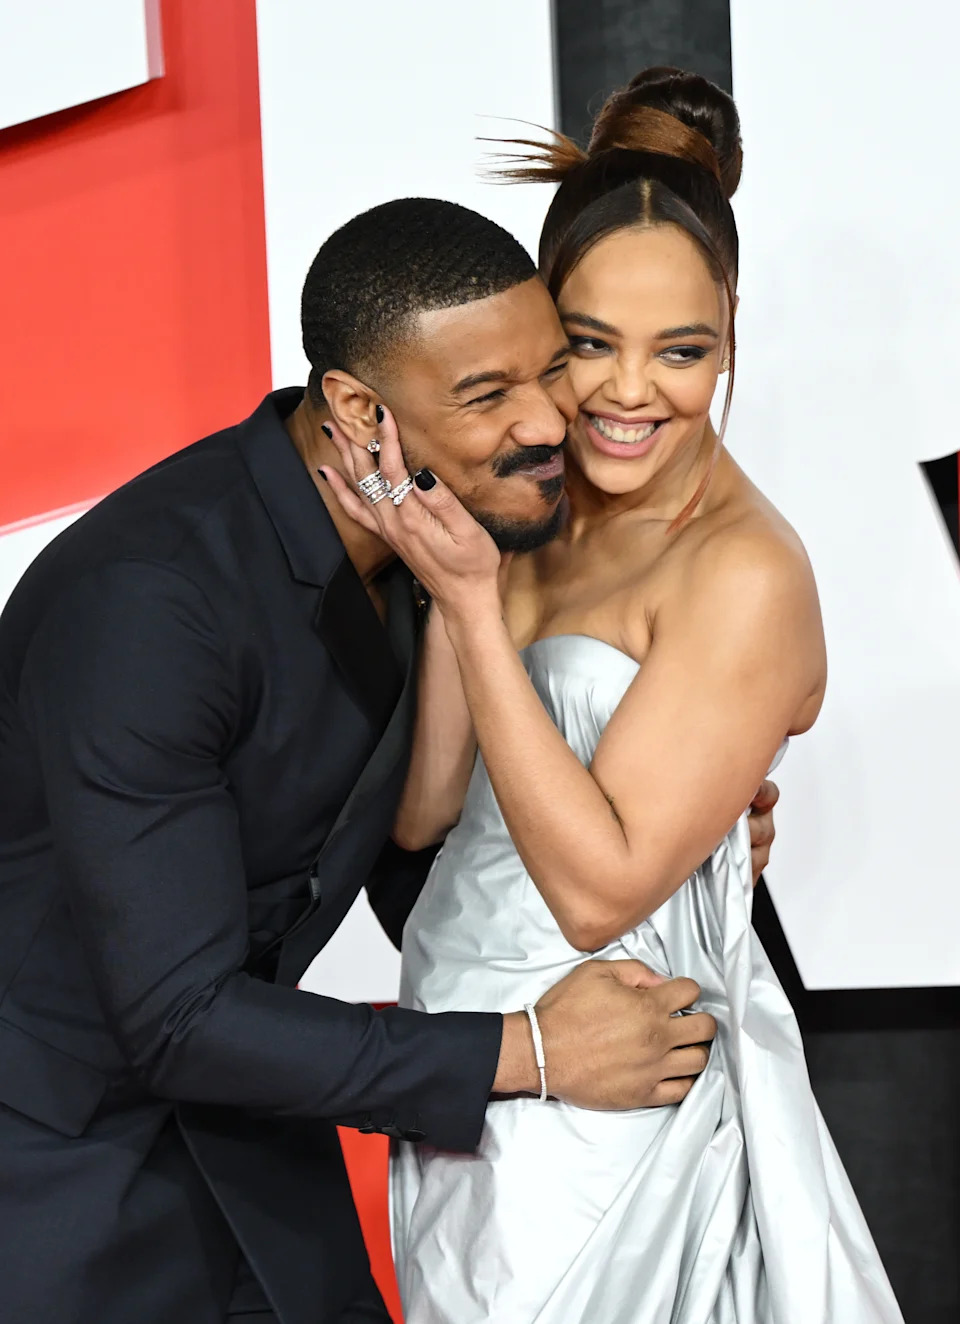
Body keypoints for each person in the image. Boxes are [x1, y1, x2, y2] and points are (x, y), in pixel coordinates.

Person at [0, 199, 779, 1324]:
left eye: (549, 369)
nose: (550, 421)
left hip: (255, 1145)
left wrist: (674, 818)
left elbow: (412, 845)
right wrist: (525, 1053)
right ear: (360, 410)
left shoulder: (439, 539)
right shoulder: (150, 604)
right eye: (487, 395)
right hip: (49, 1172)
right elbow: (179, 1018)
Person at [321, 71, 904, 1322]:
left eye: (683, 350)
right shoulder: (532, 501)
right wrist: (455, 580)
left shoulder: (744, 570)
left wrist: (475, 610)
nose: (630, 395)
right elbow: (427, 815)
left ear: (732, 331)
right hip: (470, 1061)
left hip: (615, 1093)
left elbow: (595, 891)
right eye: (589, 344)